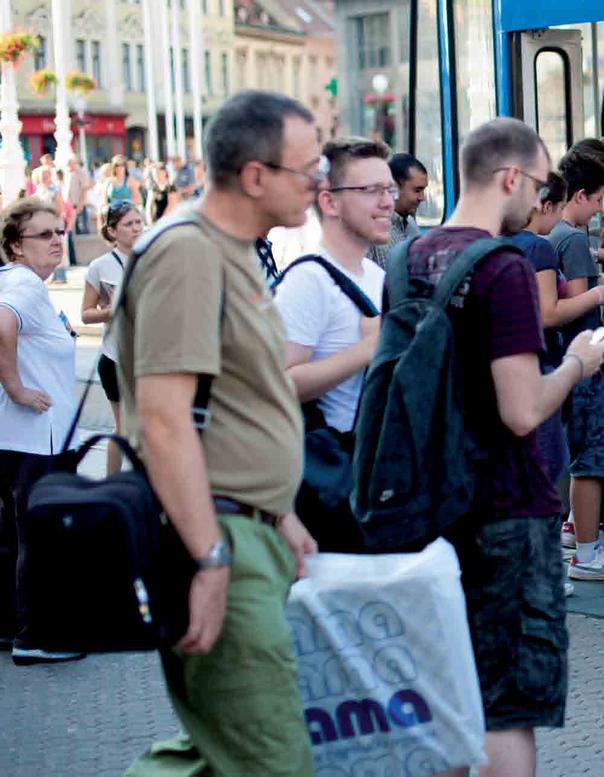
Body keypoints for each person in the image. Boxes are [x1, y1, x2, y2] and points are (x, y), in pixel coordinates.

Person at [119, 90, 320, 776]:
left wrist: (281, 512)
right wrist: (208, 558)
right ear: (256, 175)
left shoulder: (233, 251)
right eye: (307, 169)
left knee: (218, 753)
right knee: (274, 757)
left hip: (247, 528)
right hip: (217, 537)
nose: (317, 184)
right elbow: (165, 416)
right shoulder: (190, 253)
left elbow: (236, 401)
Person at [405, 116, 604, 777]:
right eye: (543, 179)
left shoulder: (410, 258)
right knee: (505, 705)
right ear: (510, 177)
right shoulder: (505, 267)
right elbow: (522, 409)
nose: (544, 195)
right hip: (505, 508)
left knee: (444, 690)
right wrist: (578, 361)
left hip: (432, 502)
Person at [274, 136, 388, 505]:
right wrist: (369, 349)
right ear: (329, 201)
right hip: (334, 479)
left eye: (389, 188)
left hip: (377, 470)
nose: (387, 201)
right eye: (371, 190)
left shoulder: (376, 275)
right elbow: (280, 384)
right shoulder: (308, 280)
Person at [0, 198, 82, 665]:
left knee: (14, 535)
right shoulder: (24, 285)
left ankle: (12, 625)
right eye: (44, 234)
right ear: (16, 245)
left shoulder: (24, 284)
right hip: (34, 437)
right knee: (38, 536)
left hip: (23, 437)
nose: (57, 240)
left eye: (60, 231)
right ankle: (36, 636)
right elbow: (2, 323)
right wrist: (17, 388)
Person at [547, 149, 604, 582]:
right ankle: (587, 551)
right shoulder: (572, 239)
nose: (600, 209)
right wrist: (603, 292)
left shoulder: (552, 236)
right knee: (593, 454)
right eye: (598, 199)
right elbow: (571, 301)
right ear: (579, 195)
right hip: (584, 357)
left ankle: (578, 530)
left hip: (561, 358)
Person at [81, 201, 143, 476]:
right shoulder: (100, 266)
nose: (136, 228)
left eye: (139, 222)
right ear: (112, 231)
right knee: (123, 428)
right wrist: (111, 311)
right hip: (115, 357)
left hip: (150, 356)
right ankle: (112, 486)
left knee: (153, 426)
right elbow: (85, 314)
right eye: (129, 224)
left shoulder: (153, 256)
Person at [368, 152, 427, 267]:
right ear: (394, 187)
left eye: (423, 190)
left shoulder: (411, 225)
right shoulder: (372, 231)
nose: (422, 198)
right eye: (417, 190)